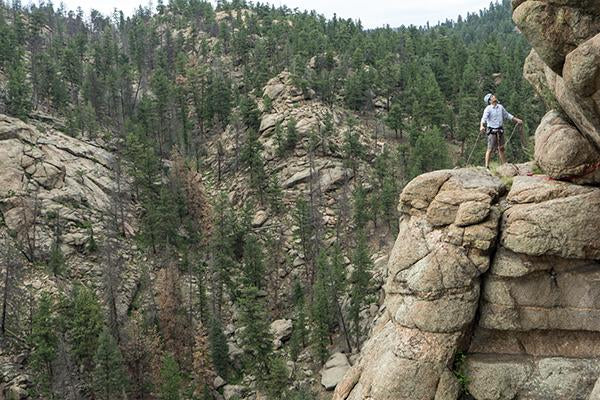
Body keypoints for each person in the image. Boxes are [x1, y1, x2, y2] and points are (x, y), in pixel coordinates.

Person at [479, 93, 522, 168]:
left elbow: (507, 115)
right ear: (489, 101)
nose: (494, 97)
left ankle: (505, 165)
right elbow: (484, 118)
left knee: (501, 148)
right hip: (492, 130)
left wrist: (517, 120)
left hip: (500, 130)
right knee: (490, 149)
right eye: (492, 97)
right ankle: (487, 166)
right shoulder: (488, 109)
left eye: (493, 96)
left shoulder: (500, 107)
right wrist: (482, 126)